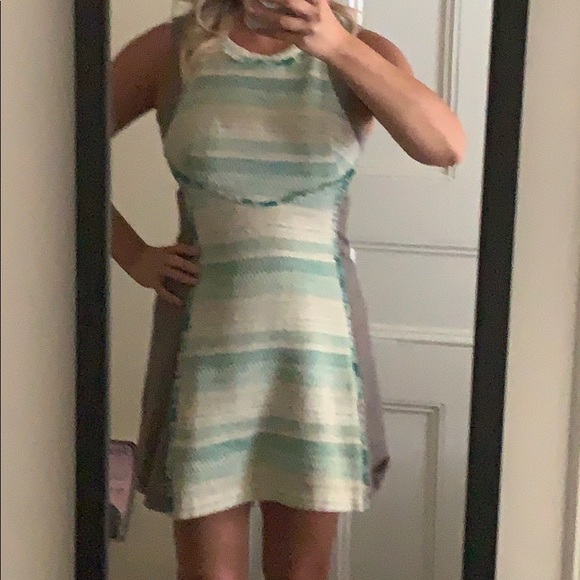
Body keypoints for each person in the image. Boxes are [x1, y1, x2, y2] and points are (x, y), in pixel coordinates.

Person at [111, 1, 465, 578]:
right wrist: (134, 256)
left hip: (318, 354)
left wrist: (338, 47)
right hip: (207, 351)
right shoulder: (171, 50)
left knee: (302, 573)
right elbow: (58, 150)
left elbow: (445, 146)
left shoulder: (362, 51)